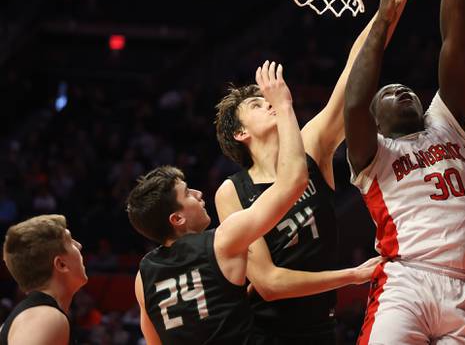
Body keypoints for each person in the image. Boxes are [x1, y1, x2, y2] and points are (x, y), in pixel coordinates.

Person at [213, 0, 445, 344]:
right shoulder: (233, 192)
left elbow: (353, 75)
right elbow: (268, 282)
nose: (267, 101)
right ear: (240, 132)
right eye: (255, 103)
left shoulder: (310, 148)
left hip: (321, 327)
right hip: (265, 332)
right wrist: (352, 276)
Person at [128, 62, 377, 344]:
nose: (198, 194)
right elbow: (293, 184)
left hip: (319, 323)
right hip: (272, 333)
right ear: (177, 219)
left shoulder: (145, 275)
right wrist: (283, 106)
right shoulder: (221, 238)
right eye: (187, 193)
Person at [344, 0, 465, 344]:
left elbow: (455, 44)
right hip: (406, 281)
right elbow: (354, 101)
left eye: (406, 88)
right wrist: (382, 21)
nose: (402, 91)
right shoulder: (373, 155)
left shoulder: (445, 123)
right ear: (375, 121)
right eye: (389, 92)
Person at [0, 214, 87, 345]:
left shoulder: (37, 315)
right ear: (61, 264)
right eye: (70, 241)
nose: (79, 245)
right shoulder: (46, 317)